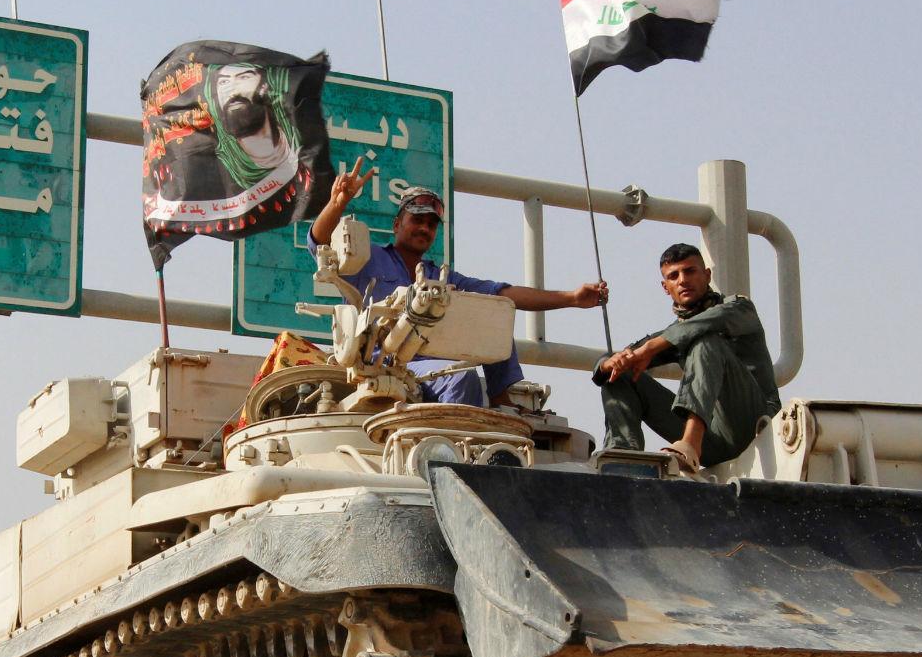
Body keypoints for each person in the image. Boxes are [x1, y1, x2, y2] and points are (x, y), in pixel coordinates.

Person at [309, 158, 608, 405]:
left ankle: (503, 406)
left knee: (494, 315)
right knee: (460, 377)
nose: (424, 228)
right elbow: (318, 243)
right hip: (386, 365)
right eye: (417, 220)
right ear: (397, 224)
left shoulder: (443, 278)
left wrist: (570, 298)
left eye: (431, 224)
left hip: (434, 368)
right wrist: (339, 202)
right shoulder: (369, 260)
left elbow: (504, 294)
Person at [595, 243, 780, 470]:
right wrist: (608, 364)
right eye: (674, 276)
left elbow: (711, 321)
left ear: (707, 275)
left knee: (705, 342)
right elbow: (618, 358)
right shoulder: (672, 334)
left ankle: (690, 444)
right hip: (714, 441)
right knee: (618, 374)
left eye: (690, 271)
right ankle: (623, 458)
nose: (682, 280)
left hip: (754, 426)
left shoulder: (740, 308)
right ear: (666, 287)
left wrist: (652, 346)